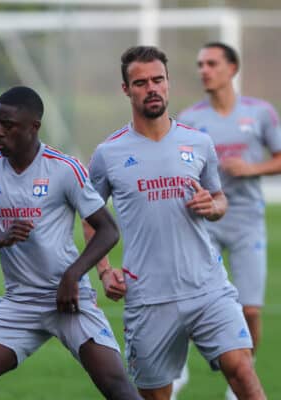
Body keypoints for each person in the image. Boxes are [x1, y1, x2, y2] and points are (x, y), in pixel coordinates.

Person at [86, 45, 266, 400]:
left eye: (158, 79)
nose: (151, 88)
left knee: (243, 371)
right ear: (126, 90)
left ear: (168, 83)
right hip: (148, 296)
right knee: (156, 395)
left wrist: (212, 206)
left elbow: (219, 198)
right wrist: (105, 271)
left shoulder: (198, 142)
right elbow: (92, 219)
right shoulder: (108, 154)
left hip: (207, 286)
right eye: (141, 83)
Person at [0, 86, 141, 400]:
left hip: (69, 298)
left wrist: (72, 276)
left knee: (118, 388)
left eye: (7, 125)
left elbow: (108, 230)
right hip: (19, 302)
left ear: (33, 127)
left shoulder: (64, 169)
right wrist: (1, 237)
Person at [175, 41, 281, 400]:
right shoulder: (190, 120)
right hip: (203, 222)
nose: (204, 69)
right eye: (200, 64)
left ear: (232, 69)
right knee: (190, 300)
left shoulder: (260, 112)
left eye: (212, 63)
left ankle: (240, 383)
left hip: (246, 221)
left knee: (250, 308)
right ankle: (177, 369)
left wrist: (252, 168)